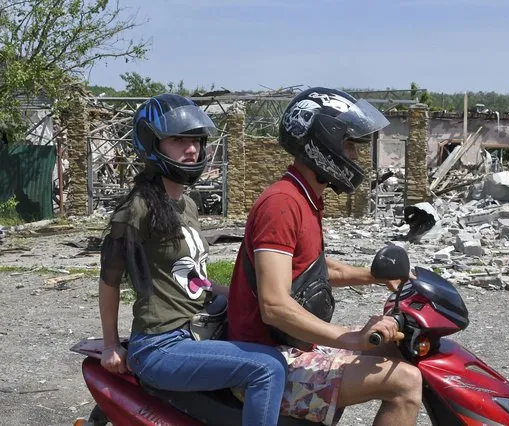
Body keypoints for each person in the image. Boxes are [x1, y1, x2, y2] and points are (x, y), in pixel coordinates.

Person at [227, 87, 422, 426]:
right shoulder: (282, 203)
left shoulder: (304, 198)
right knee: (405, 382)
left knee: (395, 351)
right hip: (267, 359)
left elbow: (312, 269)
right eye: (349, 144)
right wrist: (349, 338)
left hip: (290, 347)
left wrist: (374, 276)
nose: (354, 157)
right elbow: (273, 306)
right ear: (322, 142)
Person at [98, 93, 288, 426]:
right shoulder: (136, 209)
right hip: (160, 346)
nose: (192, 149)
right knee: (267, 368)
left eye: (196, 140)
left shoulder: (187, 205)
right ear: (152, 143)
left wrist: (241, 297)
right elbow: (109, 280)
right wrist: (112, 345)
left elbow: (192, 275)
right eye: (178, 139)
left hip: (197, 330)